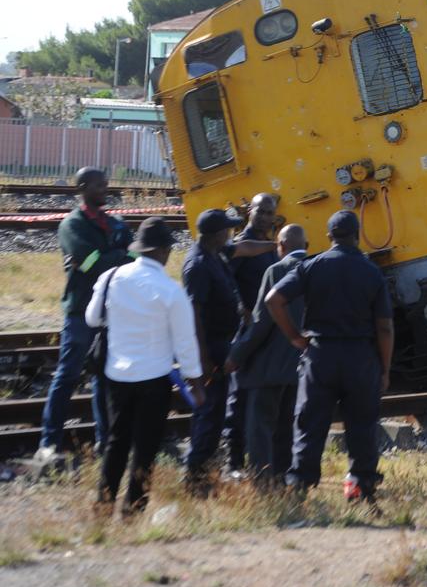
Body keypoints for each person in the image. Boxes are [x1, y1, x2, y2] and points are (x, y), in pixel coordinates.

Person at [266, 210, 394, 503]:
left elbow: (273, 299)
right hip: (361, 357)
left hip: (319, 355)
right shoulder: (371, 272)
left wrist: (295, 337)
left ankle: (300, 486)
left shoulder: (312, 266)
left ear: (328, 237)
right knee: (362, 425)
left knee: (309, 423)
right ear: (357, 234)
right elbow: (385, 327)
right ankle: (360, 487)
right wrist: (384, 369)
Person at [87, 218, 206, 515]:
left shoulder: (111, 276)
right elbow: (185, 342)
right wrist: (196, 383)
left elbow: (92, 318)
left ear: (139, 249)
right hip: (154, 378)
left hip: (116, 374)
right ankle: (133, 509)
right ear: (165, 251)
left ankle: (103, 505)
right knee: (146, 446)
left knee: (116, 441)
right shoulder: (170, 290)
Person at [36, 167, 133, 462]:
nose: (106, 187)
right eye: (99, 184)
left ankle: (106, 442)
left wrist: (110, 259)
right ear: (82, 187)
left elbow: (132, 258)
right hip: (80, 313)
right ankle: (49, 442)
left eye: (106, 183)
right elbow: (94, 263)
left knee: (104, 378)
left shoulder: (115, 223)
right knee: (67, 376)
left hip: (111, 312)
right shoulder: (72, 225)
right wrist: (119, 257)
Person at [181, 208, 274, 492]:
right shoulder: (197, 264)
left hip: (222, 343)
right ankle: (196, 478)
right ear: (218, 233)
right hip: (209, 347)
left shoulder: (216, 253)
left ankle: (204, 474)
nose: (232, 233)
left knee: (217, 412)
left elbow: (245, 248)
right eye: (228, 230)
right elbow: (193, 313)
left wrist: (275, 245)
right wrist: (203, 359)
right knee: (210, 414)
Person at [224, 224, 307, 484]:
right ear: (306, 246)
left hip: (269, 364)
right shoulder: (316, 268)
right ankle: (282, 476)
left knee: (260, 425)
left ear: (280, 246)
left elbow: (261, 322)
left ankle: (262, 481)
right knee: (286, 425)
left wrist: (236, 356)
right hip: (300, 364)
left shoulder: (276, 270)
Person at [223, 193, 279, 475]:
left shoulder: (270, 247)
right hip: (247, 330)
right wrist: (240, 308)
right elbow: (226, 279)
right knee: (239, 396)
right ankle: (233, 461)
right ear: (249, 211)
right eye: (261, 211)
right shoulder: (241, 245)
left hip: (266, 331)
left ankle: (258, 459)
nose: (266, 217)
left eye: (270, 213)